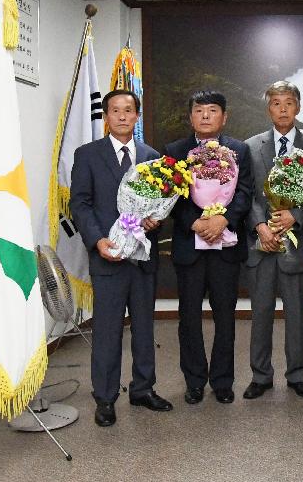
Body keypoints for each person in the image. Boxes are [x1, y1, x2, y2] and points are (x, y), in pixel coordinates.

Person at [70, 89, 173, 427]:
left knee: (144, 327)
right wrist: (98, 240)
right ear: (106, 116)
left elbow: (158, 204)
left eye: (129, 110)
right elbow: (81, 204)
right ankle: (105, 396)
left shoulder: (151, 157)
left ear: (137, 116)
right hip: (107, 256)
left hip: (142, 258)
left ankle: (143, 388)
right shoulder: (87, 155)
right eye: (115, 110)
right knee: (107, 329)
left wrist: (155, 221)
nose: (122, 116)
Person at [164, 90, 253, 405]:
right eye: (199, 110)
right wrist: (196, 222)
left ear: (224, 117)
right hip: (190, 246)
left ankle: (223, 381)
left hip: (225, 247)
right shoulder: (175, 150)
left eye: (212, 110)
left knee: (225, 316)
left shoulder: (239, 150)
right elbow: (171, 195)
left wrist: (223, 220)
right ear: (191, 116)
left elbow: (244, 193)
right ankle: (194, 381)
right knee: (188, 316)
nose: (205, 116)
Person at [243, 82, 303, 400]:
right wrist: (260, 226)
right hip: (261, 246)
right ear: (268, 109)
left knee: (296, 314)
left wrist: (297, 216)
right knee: (260, 313)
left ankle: (298, 374)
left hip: (297, 245)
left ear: (298, 107)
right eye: (276, 103)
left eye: (288, 103)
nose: (282, 109)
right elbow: (247, 194)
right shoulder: (251, 146)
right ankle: (260, 375)